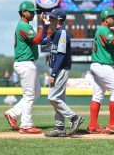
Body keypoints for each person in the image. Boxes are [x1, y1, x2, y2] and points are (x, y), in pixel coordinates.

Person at [40, 8, 83, 137]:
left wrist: (53, 74)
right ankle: (59, 128)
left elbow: (61, 55)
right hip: (57, 68)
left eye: (51, 17)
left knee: (52, 98)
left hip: (61, 68)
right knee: (58, 99)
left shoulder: (62, 33)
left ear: (58, 20)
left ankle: (74, 118)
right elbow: (42, 42)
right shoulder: (56, 33)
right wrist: (45, 25)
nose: (49, 19)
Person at [4, 0, 42, 134]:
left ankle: (13, 113)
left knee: (36, 92)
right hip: (25, 62)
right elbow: (37, 40)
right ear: (23, 12)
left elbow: (39, 39)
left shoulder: (25, 26)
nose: (33, 14)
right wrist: (45, 25)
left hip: (27, 62)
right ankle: (26, 125)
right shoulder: (24, 26)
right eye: (31, 12)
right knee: (30, 95)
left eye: (33, 12)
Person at [87, 7, 114, 134]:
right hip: (102, 66)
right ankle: (112, 124)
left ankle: (93, 125)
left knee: (98, 94)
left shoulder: (102, 30)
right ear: (106, 18)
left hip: (99, 65)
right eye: (113, 17)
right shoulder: (104, 29)